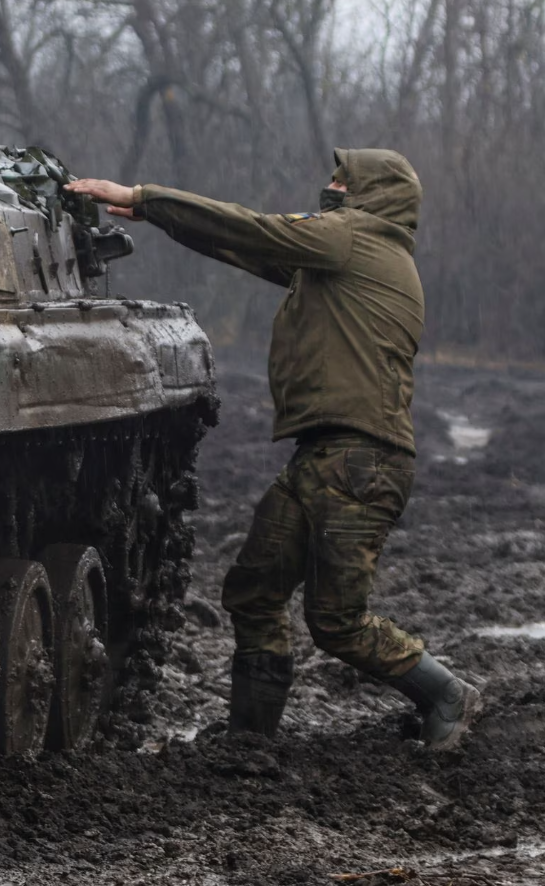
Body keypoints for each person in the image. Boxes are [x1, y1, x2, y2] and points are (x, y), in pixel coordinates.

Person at [65, 150, 481, 750]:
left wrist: (146, 198)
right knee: (253, 590)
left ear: (375, 196)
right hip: (326, 456)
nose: (331, 185)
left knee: (337, 621)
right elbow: (248, 247)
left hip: (360, 461)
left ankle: (446, 693)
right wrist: (163, 218)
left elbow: (252, 228)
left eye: (345, 180)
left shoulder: (357, 239)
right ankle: (250, 739)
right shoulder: (350, 256)